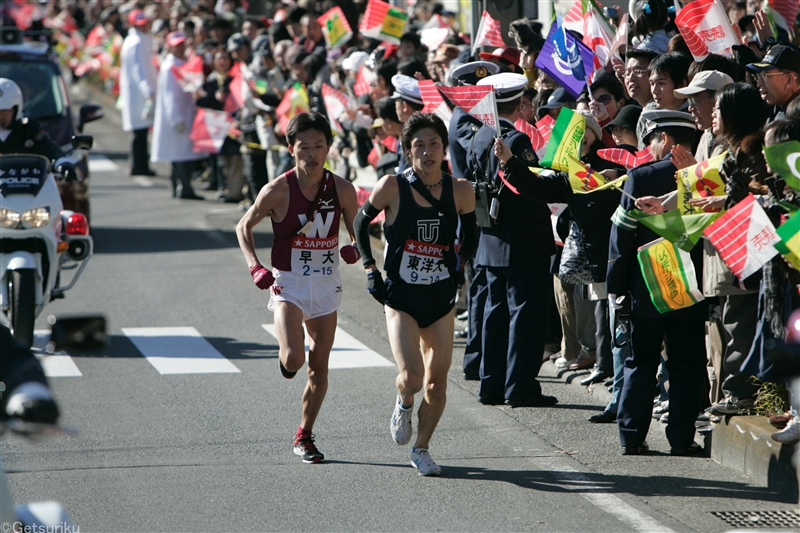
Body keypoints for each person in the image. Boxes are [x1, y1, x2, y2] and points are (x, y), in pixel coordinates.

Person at [353, 112, 478, 476]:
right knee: (412, 376)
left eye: (434, 144)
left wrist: (459, 264)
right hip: (401, 295)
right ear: (408, 152)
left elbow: (471, 237)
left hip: (440, 297)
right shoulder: (391, 186)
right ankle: (404, 401)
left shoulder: (461, 190)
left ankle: (421, 448)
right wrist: (369, 268)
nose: (427, 151)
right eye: (418, 145)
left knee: (438, 382)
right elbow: (362, 224)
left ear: (444, 149)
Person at [236, 112, 360, 464]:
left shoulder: (342, 189)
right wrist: (255, 266)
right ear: (291, 149)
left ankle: (304, 435)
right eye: (304, 147)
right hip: (288, 282)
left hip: (325, 285)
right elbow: (243, 227)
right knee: (294, 358)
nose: (312, 154)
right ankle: (288, 360)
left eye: (319, 146)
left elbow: (359, 229)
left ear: (328, 149)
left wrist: (355, 247)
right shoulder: (277, 189)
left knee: (319, 368)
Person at [608, 109, 708, 456]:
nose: (648, 147)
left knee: (641, 360)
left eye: (650, 139)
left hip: (646, 284)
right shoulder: (706, 176)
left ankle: (631, 436)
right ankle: (682, 439)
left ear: (664, 139)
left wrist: (616, 286)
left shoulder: (641, 177)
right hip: (692, 286)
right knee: (686, 364)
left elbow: (622, 239)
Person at [467, 73, 557, 408]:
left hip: (492, 235)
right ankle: (519, 385)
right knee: (525, 313)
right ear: (520, 102)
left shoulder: (480, 137)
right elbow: (533, 187)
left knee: (495, 312)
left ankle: (492, 383)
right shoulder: (516, 140)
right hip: (523, 237)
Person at [150, 31, 206, 200]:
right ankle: (184, 187)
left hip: (184, 115)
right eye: (176, 45)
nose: (180, 48)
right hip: (178, 117)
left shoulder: (182, 63)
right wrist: (176, 118)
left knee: (180, 155)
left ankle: (180, 186)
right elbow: (169, 96)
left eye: (182, 44)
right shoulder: (170, 67)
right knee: (181, 155)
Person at [119, 9, 158, 177]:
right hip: (138, 93)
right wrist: (148, 89)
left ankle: (139, 164)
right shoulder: (136, 42)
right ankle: (139, 165)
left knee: (139, 130)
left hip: (135, 92)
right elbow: (139, 69)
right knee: (139, 131)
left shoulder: (134, 40)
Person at [746, 44, 800, 121]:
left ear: (789, 80)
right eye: (758, 75)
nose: (759, 83)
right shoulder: (779, 109)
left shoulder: (794, 119)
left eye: (765, 75)